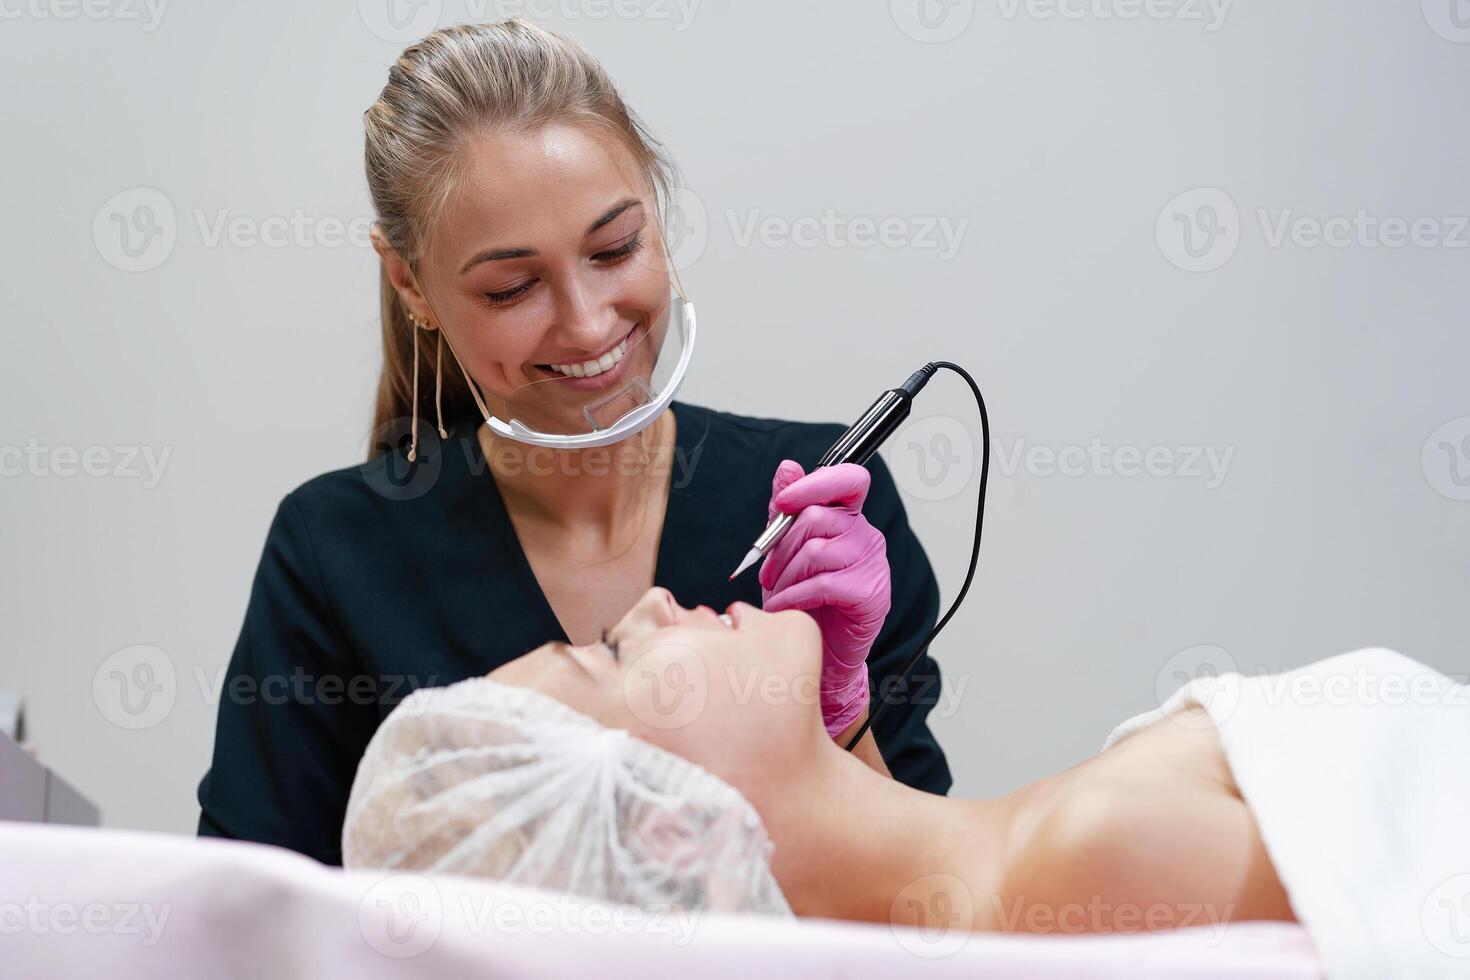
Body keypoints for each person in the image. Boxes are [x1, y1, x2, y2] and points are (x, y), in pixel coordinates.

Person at [195, 18, 952, 868]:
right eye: (512, 286)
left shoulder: (822, 500)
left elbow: (928, 903)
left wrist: (841, 711)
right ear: (412, 283)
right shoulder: (335, 553)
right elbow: (246, 915)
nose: (589, 324)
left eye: (615, 247)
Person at [344, 585, 1298, 932]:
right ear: (675, 834)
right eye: (614, 652)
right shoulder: (1102, 855)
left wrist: (847, 722)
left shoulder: (1057, 857)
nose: (652, 601)